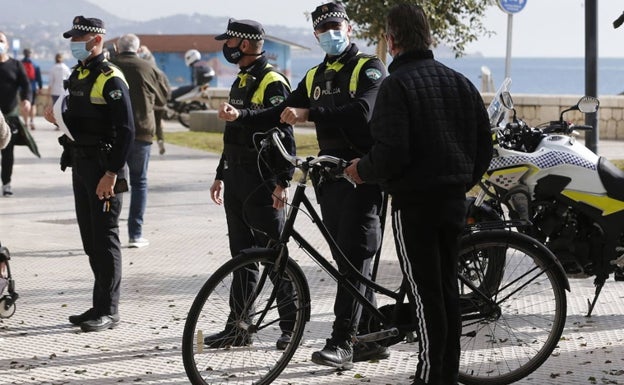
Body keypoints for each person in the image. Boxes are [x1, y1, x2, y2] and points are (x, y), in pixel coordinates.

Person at [217, 2, 388, 369]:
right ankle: (373, 331)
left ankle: (343, 343)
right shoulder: (314, 76)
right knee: (349, 261)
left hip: (362, 175)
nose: (330, 33)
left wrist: (312, 113)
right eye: (322, 29)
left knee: (354, 258)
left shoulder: (369, 67)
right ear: (315, 35)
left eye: (335, 26)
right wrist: (242, 116)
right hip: (329, 181)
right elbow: (279, 113)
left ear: (349, 27)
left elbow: (363, 112)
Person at [344, 4, 493, 384]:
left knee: (426, 295)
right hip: (453, 201)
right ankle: (443, 372)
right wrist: (460, 181)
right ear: (428, 36)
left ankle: (430, 376)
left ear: (391, 40)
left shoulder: (397, 86)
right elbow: (483, 146)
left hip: (414, 205)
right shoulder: (459, 81)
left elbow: (392, 153)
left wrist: (361, 170)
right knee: (445, 290)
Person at [203, 18, 297, 351]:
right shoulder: (242, 79)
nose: (225, 47)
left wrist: (283, 181)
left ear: (243, 45)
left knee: (274, 257)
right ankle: (238, 327)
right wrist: (220, 173)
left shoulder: (272, 81)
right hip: (237, 177)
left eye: (228, 42)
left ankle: (290, 326)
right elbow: (234, 133)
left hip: (262, 180)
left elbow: (285, 132)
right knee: (241, 259)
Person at [44, 16, 135, 332]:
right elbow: (82, 117)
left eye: (79, 38)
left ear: (97, 39)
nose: (74, 44)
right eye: (72, 38)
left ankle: (109, 310)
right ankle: (98, 304)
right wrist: (58, 118)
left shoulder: (111, 78)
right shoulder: (80, 74)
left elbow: (127, 130)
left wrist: (111, 173)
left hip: (103, 169)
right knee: (90, 240)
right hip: (81, 166)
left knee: (105, 238)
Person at [111, 34, 168, 248]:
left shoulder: (110, 66)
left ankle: (111, 231)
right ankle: (135, 234)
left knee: (113, 180)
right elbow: (163, 97)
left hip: (114, 133)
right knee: (139, 182)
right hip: (142, 131)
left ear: (117, 47)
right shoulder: (148, 68)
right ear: (138, 49)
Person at [0, 31, 32, 197]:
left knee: (7, 153)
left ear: (6, 45)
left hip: (9, 116)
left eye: (1, 40)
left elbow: (26, 85)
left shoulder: (16, 65)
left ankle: (6, 183)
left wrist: (26, 99)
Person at [137, 44, 170, 155]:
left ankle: (147, 146)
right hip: (160, 103)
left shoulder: (142, 71)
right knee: (158, 123)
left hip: (148, 103)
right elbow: (167, 89)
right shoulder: (159, 72)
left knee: (148, 124)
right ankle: (160, 141)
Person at [21, 48, 42, 130]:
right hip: (32, 87)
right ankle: (32, 122)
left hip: (22, 88)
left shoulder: (20, 63)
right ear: (30, 54)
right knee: (33, 105)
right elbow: (39, 78)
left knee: (24, 105)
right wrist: (40, 87)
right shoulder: (35, 64)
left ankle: (25, 123)